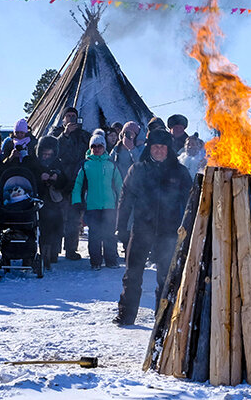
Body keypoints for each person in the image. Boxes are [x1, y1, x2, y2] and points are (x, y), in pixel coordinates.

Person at [114, 128, 193, 325]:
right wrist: (121, 227)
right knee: (132, 274)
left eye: (162, 147)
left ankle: (163, 317)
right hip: (141, 229)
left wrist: (189, 228)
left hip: (169, 231)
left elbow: (192, 202)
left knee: (167, 277)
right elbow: (125, 200)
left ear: (168, 149)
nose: (158, 151)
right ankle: (126, 315)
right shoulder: (138, 170)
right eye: (155, 147)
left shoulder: (180, 172)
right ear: (149, 148)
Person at [73, 132, 122, 270]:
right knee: (94, 235)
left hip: (109, 205)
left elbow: (119, 184)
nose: (97, 149)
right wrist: (77, 202)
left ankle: (111, 260)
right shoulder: (85, 165)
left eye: (100, 146)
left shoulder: (111, 164)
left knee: (109, 234)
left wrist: (122, 201)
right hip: (92, 206)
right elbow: (77, 185)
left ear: (104, 147)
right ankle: (95, 262)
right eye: (93, 146)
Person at [57, 107, 90, 260]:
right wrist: (66, 134)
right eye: (68, 116)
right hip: (62, 181)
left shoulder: (84, 136)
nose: (71, 119)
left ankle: (71, 249)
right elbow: (53, 150)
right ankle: (55, 250)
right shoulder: (57, 133)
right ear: (63, 119)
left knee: (74, 218)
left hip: (79, 181)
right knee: (58, 217)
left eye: (73, 116)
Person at [35, 136, 68, 271]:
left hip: (55, 202)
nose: (46, 157)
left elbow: (65, 182)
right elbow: (31, 181)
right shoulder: (35, 164)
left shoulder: (58, 164)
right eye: (44, 154)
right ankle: (44, 254)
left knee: (57, 228)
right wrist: (40, 178)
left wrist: (57, 178)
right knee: (44, 230)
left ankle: (54, 253)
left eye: (49, 154)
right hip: (40, 202)